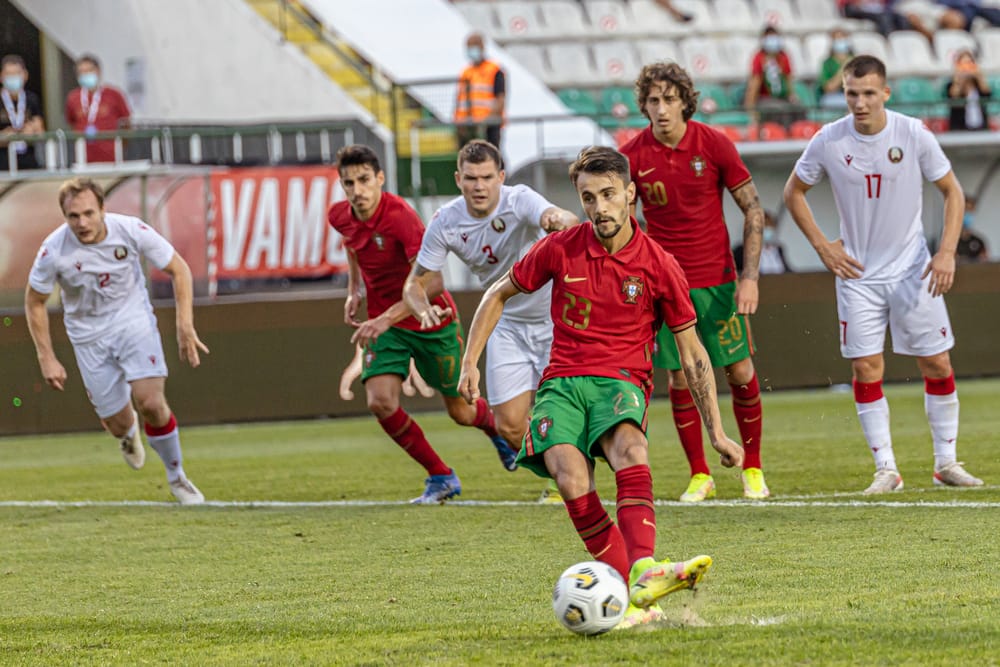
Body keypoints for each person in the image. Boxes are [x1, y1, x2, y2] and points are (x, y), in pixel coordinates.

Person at [457, 145, 744, 629]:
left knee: (631, 449)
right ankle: (635, 586)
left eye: (609, 195)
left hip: (621, 381)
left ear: (630, 194)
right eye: (588, 198)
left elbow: (693, 354)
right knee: (569, 478)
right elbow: (496, 292)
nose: (599, 207)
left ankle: (642, 569)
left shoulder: (658, 263)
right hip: (562, 383)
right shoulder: (561, 247)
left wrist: (716, 430)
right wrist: (470, 361)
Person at [783, 55, 984, 494]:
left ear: (885, 93)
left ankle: (946, 462)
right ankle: (887, 469)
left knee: (936, 362)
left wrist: (946, 251)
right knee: (866, 367)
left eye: (869, 93)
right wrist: (822, 245)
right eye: (852, 93)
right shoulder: (828, 140)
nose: (859, 102)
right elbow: (793, 192)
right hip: (857, 274)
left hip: (914, 269)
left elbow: (952, 192)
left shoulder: (912, 133)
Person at [327, 144, 519, 505]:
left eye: (364, 180)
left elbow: (431, 284)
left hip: (431, 321)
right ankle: (440, 475)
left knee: (461, 410)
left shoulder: (400, 217)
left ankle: (494, 429)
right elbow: (352, 244)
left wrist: (383, 318)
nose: (357, 190)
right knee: (380, 401)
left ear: (380, 179)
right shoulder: (339, 215)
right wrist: (354, 289)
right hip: (386, 328)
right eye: (349, 183)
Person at [620, 62, 770, 502]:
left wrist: (750, 278)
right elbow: (627, 230)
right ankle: (699, 473)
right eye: (653, 100)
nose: (661, 109)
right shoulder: (632, 157)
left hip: (720, 283)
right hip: (665, 289)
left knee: (740, 370)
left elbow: (754, 210)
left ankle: (754, 467)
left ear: (685, 100)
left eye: (669, 99)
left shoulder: (714, 144)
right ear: (643, 105)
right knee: (681, 379)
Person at [402, 139, 579, 505]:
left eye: (486, 177)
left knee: (565, 408)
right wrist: (422, 309)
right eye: (470, 178)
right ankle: (564, 474)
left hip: (553, 319)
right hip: (505, 322)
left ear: (501, 177)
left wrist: (556, 220)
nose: (479, 186)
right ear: (458, 179)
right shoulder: (446, 222)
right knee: (510, 427)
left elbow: (564, 219)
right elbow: (415, 284)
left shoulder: (520, 200)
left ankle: (576, 477)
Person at [24, 178, 208, 504]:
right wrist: (46, 357)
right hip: (88, 337)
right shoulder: (53, 250)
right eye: (73, 216)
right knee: (117, 423)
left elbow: (179, 269)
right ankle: (127, 432)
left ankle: (177, 478)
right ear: (64, 216)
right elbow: (34, 301)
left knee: (150, 402)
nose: (82, 223)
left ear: (103, 210)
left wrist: (185, 325)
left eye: (88, 213)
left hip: (133, 322)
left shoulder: (131, 230)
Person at [64, 54, 132, 164]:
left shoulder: (114, 94)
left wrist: (120, 147)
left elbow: (126, 123)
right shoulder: (73, 98)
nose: (86, 74)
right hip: (83, 159)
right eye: (82, 71)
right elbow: (72, 122)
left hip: (112, 158)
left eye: (89, 70)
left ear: (98, 71)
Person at [743, 26, 802, 128]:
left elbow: (788, 79)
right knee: (781, 110)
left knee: (798, 108)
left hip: (782, 98)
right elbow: (754, 83)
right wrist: (751, 110)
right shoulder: (759, 58)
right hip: (764, 98)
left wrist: (792, 96)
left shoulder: (783, 57)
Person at [454, 33, 505, 150]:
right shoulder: (466, 72)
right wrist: (459, 123)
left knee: (492, 157)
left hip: (489, 127)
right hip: (467, 127)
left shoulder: (494, 70)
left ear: (482, 47)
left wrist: (485, 123)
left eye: (473, 47)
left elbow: (500, 100)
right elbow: (459, 100)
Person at [0, 54, 45, 171]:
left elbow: (40, 129)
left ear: (25, 75)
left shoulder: (32, 99)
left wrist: (31, 131)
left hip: (29, 160)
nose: (13, 77)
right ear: (1, 77)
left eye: (17, 73)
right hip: (3, 163)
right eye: (9, 74)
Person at [945, 49, 991, 132]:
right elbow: (953, 97)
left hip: (981, 128)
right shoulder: (950, 85)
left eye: (970, 63)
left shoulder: (978, 85)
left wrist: (979, 76)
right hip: (960, 129)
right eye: (963, 64)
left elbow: (987, 93)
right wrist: (959, 78)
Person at [735, 210, 791, 275]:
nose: (767, 229)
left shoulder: (778, 249)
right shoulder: (742, 251)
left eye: (770, 226)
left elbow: (788, 272)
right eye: (764, 227)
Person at [817, 28, 854, 109]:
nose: (840, 41)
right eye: (836, 39)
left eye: (842, 38)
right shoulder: (827, 63)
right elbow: (828, 89)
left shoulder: (856, 60)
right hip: (835, 97)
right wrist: (843, 69)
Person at [956, 194, 989, 263]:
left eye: (970, 210)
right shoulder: (950, 241)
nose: (968, 213)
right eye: (966, 210)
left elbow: (985, 263)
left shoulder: (979, 241)